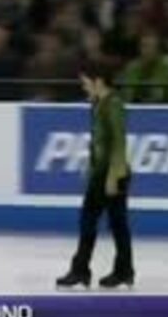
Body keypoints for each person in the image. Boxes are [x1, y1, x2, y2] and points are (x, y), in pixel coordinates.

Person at [56, 63, 135, 290]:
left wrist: (113, 176)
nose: (84, 87)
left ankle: (81, 270)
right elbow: (99, 144)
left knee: (90, 220)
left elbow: (118, 142)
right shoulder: (99, 104)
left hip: (110, 174)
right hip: (102, 172)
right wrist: (90, 169)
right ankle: (123, 271)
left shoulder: (113, 105)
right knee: (117, 224)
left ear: (99, 81)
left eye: (86, 83)